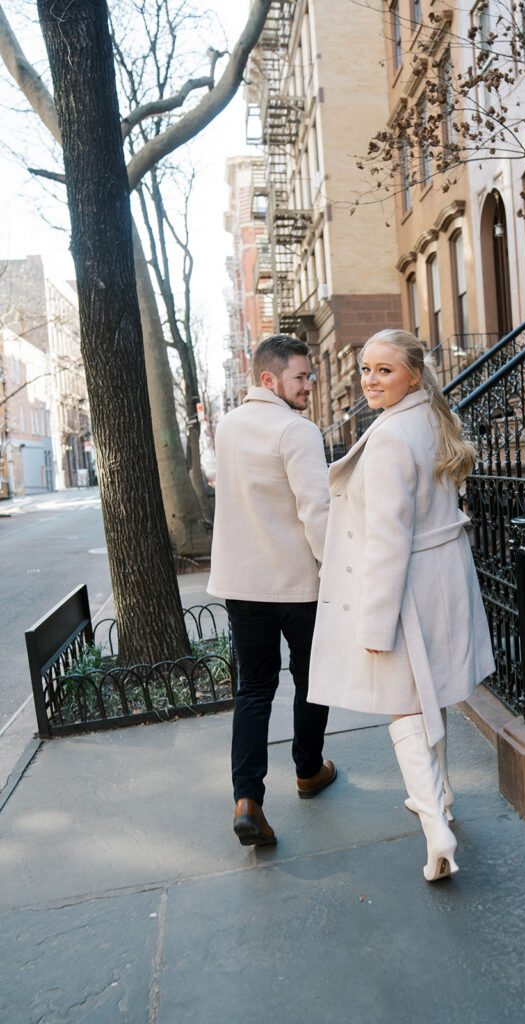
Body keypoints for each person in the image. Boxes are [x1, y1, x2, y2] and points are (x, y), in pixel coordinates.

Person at [308, 329, 494, 881]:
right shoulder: (432, 417)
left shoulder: (391, 437)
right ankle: (439, 795)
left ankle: (435, 823)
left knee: (403, 705)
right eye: (366, 368)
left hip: (407, 587)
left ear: (413, 374)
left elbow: (389, 538)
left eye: (384, 370)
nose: (369, 380)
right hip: (442, 579)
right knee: (427, 691)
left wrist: (375, 621)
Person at [208, 334, 337, 848]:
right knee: (313, 680)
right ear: (269, 379)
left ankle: (248, 801)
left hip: (242, 585)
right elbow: (316, 509)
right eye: (301, 376)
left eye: (309, 376)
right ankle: (308, 772)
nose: (309, 384)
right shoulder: (296, 430)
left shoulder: (228, 425)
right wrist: (338, 566)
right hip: (297, 585)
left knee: (254, 690)